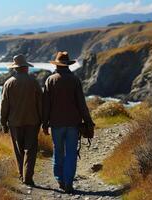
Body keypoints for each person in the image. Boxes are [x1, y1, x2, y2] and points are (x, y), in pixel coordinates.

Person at [42, 51, 94, 193]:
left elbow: (46, 105)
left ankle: (60, 180)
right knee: (71, 153)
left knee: (58, 152)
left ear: (57, 64)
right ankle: (69, 182)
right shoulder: (75, 80)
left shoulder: (50, 80)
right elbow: (81, 104)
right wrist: (88, 121)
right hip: (73, 124)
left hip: (56, 124)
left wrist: (44, 124)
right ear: (68, 65)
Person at [0, 54, 43, 186]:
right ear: (26, 68)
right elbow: (41, 102)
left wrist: (3, 122)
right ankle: (28, 177)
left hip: (15, 122)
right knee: (30, 150)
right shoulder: (33, 82)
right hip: (33, 121)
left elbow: (4, 104)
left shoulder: (8, 83)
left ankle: (21, 174)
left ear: (15, 68)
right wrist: (43, 120)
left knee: (18, 151)